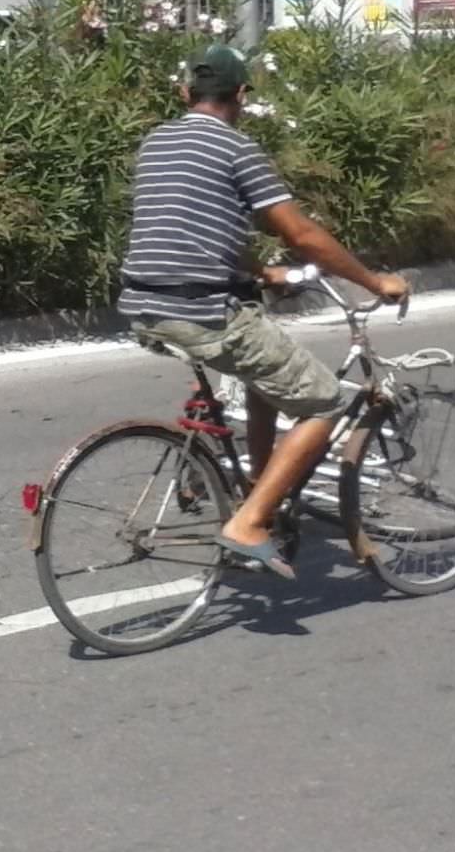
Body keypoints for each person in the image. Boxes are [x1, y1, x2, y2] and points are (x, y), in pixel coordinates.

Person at [119, 43, 409, 578]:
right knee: (323, 403)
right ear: (242, 96)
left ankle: (259, 488)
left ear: (185, 94)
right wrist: (373, 280)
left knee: (264, 377)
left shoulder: (155, 142)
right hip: (203, 310)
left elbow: (195, 225)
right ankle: (249, 521)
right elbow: (300, 234)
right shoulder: (236, 150)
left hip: (143, 303)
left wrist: (259, 273)